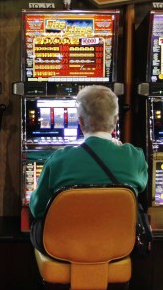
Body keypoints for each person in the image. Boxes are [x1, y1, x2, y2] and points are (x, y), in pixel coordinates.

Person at [28, 84, 148, 254]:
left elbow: (37, 207)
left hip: (64, 245)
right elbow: (140, 188)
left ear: (81, 122)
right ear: (116, 120)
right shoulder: (134, 156)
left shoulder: (59, 159)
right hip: (118, 244)